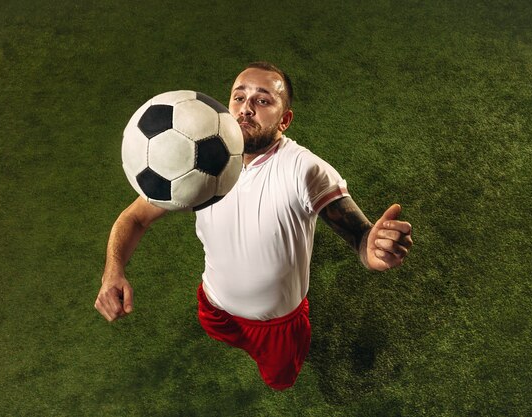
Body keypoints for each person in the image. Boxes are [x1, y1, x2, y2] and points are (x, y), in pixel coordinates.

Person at [95, 62, 413, 390]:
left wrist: (371, 247)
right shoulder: (197, 160)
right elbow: (134, 218)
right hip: (214, 305)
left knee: (279, 379)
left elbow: (362, 237)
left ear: (284, 120)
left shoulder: (305, 170)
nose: (246, 108)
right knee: (218, 332)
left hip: (277, 326)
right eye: (238, 97)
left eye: (262, 101)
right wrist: (112, 272)